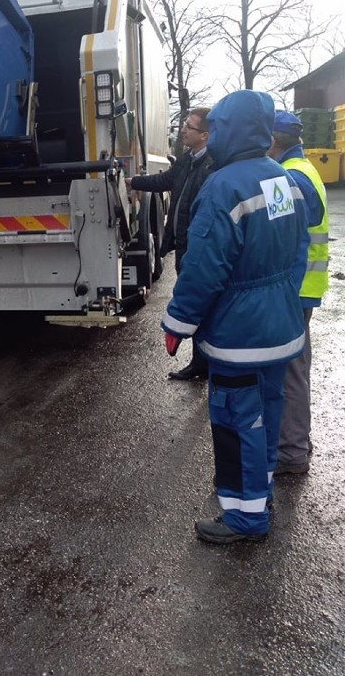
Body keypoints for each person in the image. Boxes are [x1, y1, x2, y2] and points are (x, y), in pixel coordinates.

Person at [161, 90, 308, 544]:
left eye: (218, 126)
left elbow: (204, 268)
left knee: (235, 421)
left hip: (239, 337)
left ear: (231, 129)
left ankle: (245, 517)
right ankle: (257, 495)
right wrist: (286, 304)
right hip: (280, 329)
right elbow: (297, 252)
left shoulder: (224, 186)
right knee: (265, 411)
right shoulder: (281, 179)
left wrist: (177, 324)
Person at [126, 107, 213, 381]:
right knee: (193, 303)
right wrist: (133, 181)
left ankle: (209, 363)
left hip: (199, 248)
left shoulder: (214, 166)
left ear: (205, 135)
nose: (183, 129)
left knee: (203, 306)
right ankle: (201, 364)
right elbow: (164, 180)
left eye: (189, 126)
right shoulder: (187, 161)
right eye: (184, 124)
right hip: (184, 247)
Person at [267, 110, 329, 476]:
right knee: (296, 366)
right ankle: (297, 441)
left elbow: (279, 236)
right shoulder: (305, 170)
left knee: (290, 370)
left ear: (273, 141)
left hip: (293, 287)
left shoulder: (287, 178)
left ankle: (290, 451)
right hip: (304, 285)